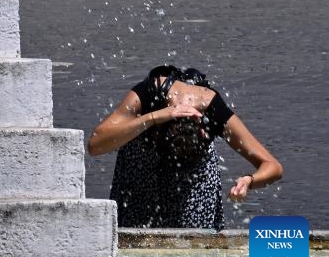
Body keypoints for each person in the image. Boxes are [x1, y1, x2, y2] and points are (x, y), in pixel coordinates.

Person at [88, 65, 283, 229]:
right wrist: (152, 118)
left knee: (194, 250)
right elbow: (95, 144)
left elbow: (272, 166)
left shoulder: (212, 108)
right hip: (140, 178)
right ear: (159, 134)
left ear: (203, 132)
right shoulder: (150, 93)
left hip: (193, 187)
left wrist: (249, 180)